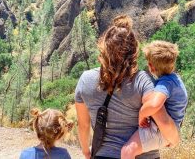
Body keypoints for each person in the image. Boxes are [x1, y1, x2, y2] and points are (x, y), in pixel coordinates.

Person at [75, 15, 180, 159]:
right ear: (134, 50)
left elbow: (83, 125)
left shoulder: (85, 79)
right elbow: (163, 121)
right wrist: (174, 140)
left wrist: (86, 151)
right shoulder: (143, 80)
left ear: (104, 47)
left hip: (102, 155)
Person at [121, 40, 188, 159]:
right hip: (166, 129)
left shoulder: (165, 83)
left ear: (151, 66)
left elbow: (154, 104)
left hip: (159, 131)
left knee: (127, 151)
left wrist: (142, 114)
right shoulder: (175, 79)